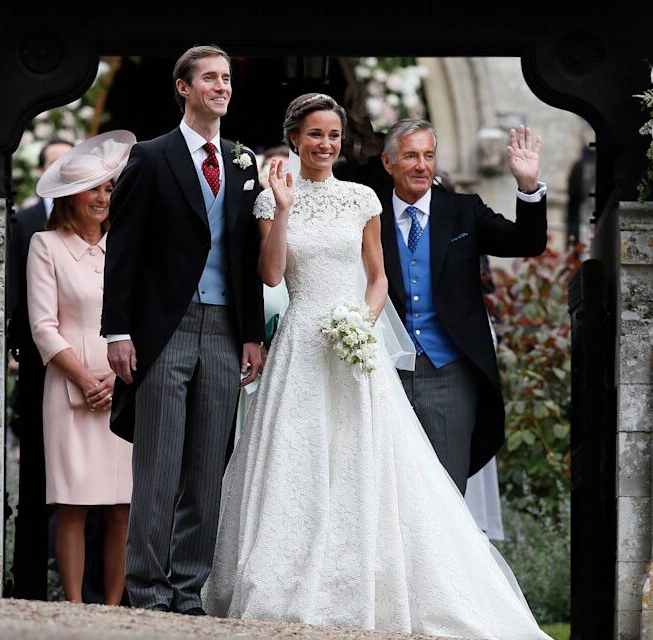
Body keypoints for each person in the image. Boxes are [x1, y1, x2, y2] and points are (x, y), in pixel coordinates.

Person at [203, 93, 551, 640]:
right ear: (296, 138)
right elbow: (270, 277)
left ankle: (397, 584)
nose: (325, 144)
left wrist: (363, 324)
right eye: (315, 134)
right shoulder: (295, 201)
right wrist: (285, 206)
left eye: (334, 135)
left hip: (386, 354)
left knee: (402, 477)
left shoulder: (403, 204)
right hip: (305, 348)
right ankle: (298, 585)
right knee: (305, 466)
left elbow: (384, 275)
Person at [100, 45, 264, 615]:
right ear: (183, 87)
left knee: (207, 470)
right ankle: (146, 592)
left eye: (226, 78)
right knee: (159, 466)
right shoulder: (150, 157)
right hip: (163, 330)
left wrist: (251, 334)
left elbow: (245, 258)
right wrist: (117, 330)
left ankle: (188, 591)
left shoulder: (243, 163)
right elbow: (122, 251)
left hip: (224, 329)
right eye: (210, 78)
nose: (222, 86)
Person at [379, 118, 547, 494]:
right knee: (386, 492)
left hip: (449, 373)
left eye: (429, 156)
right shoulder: (369, 214)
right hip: (385, 372)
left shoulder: (464, 211)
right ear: (388, 163)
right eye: (410, 156)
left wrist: (527, 185)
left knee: (445, 494)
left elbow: (526, 242)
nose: (422, 165)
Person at [28, 130, 136, 604]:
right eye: (92, 189)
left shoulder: (127, 245)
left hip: (124, 384)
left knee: (121, 506)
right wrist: (85, 377)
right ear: (69, 198)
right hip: (70, 389)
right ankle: (73, 606)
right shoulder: (45, 245)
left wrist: (116, 377)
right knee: (72, 504)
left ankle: (113, 610)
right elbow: (43, 326)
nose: (101, 197)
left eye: (108, 188)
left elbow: (142, 317)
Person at [5, 137, 73, 600]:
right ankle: (27, 582)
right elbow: (11, 289)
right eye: (57, 161)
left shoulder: (100, 220)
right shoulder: (24, 221)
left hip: (85, 360)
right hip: (36, 364)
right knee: (34, 480)